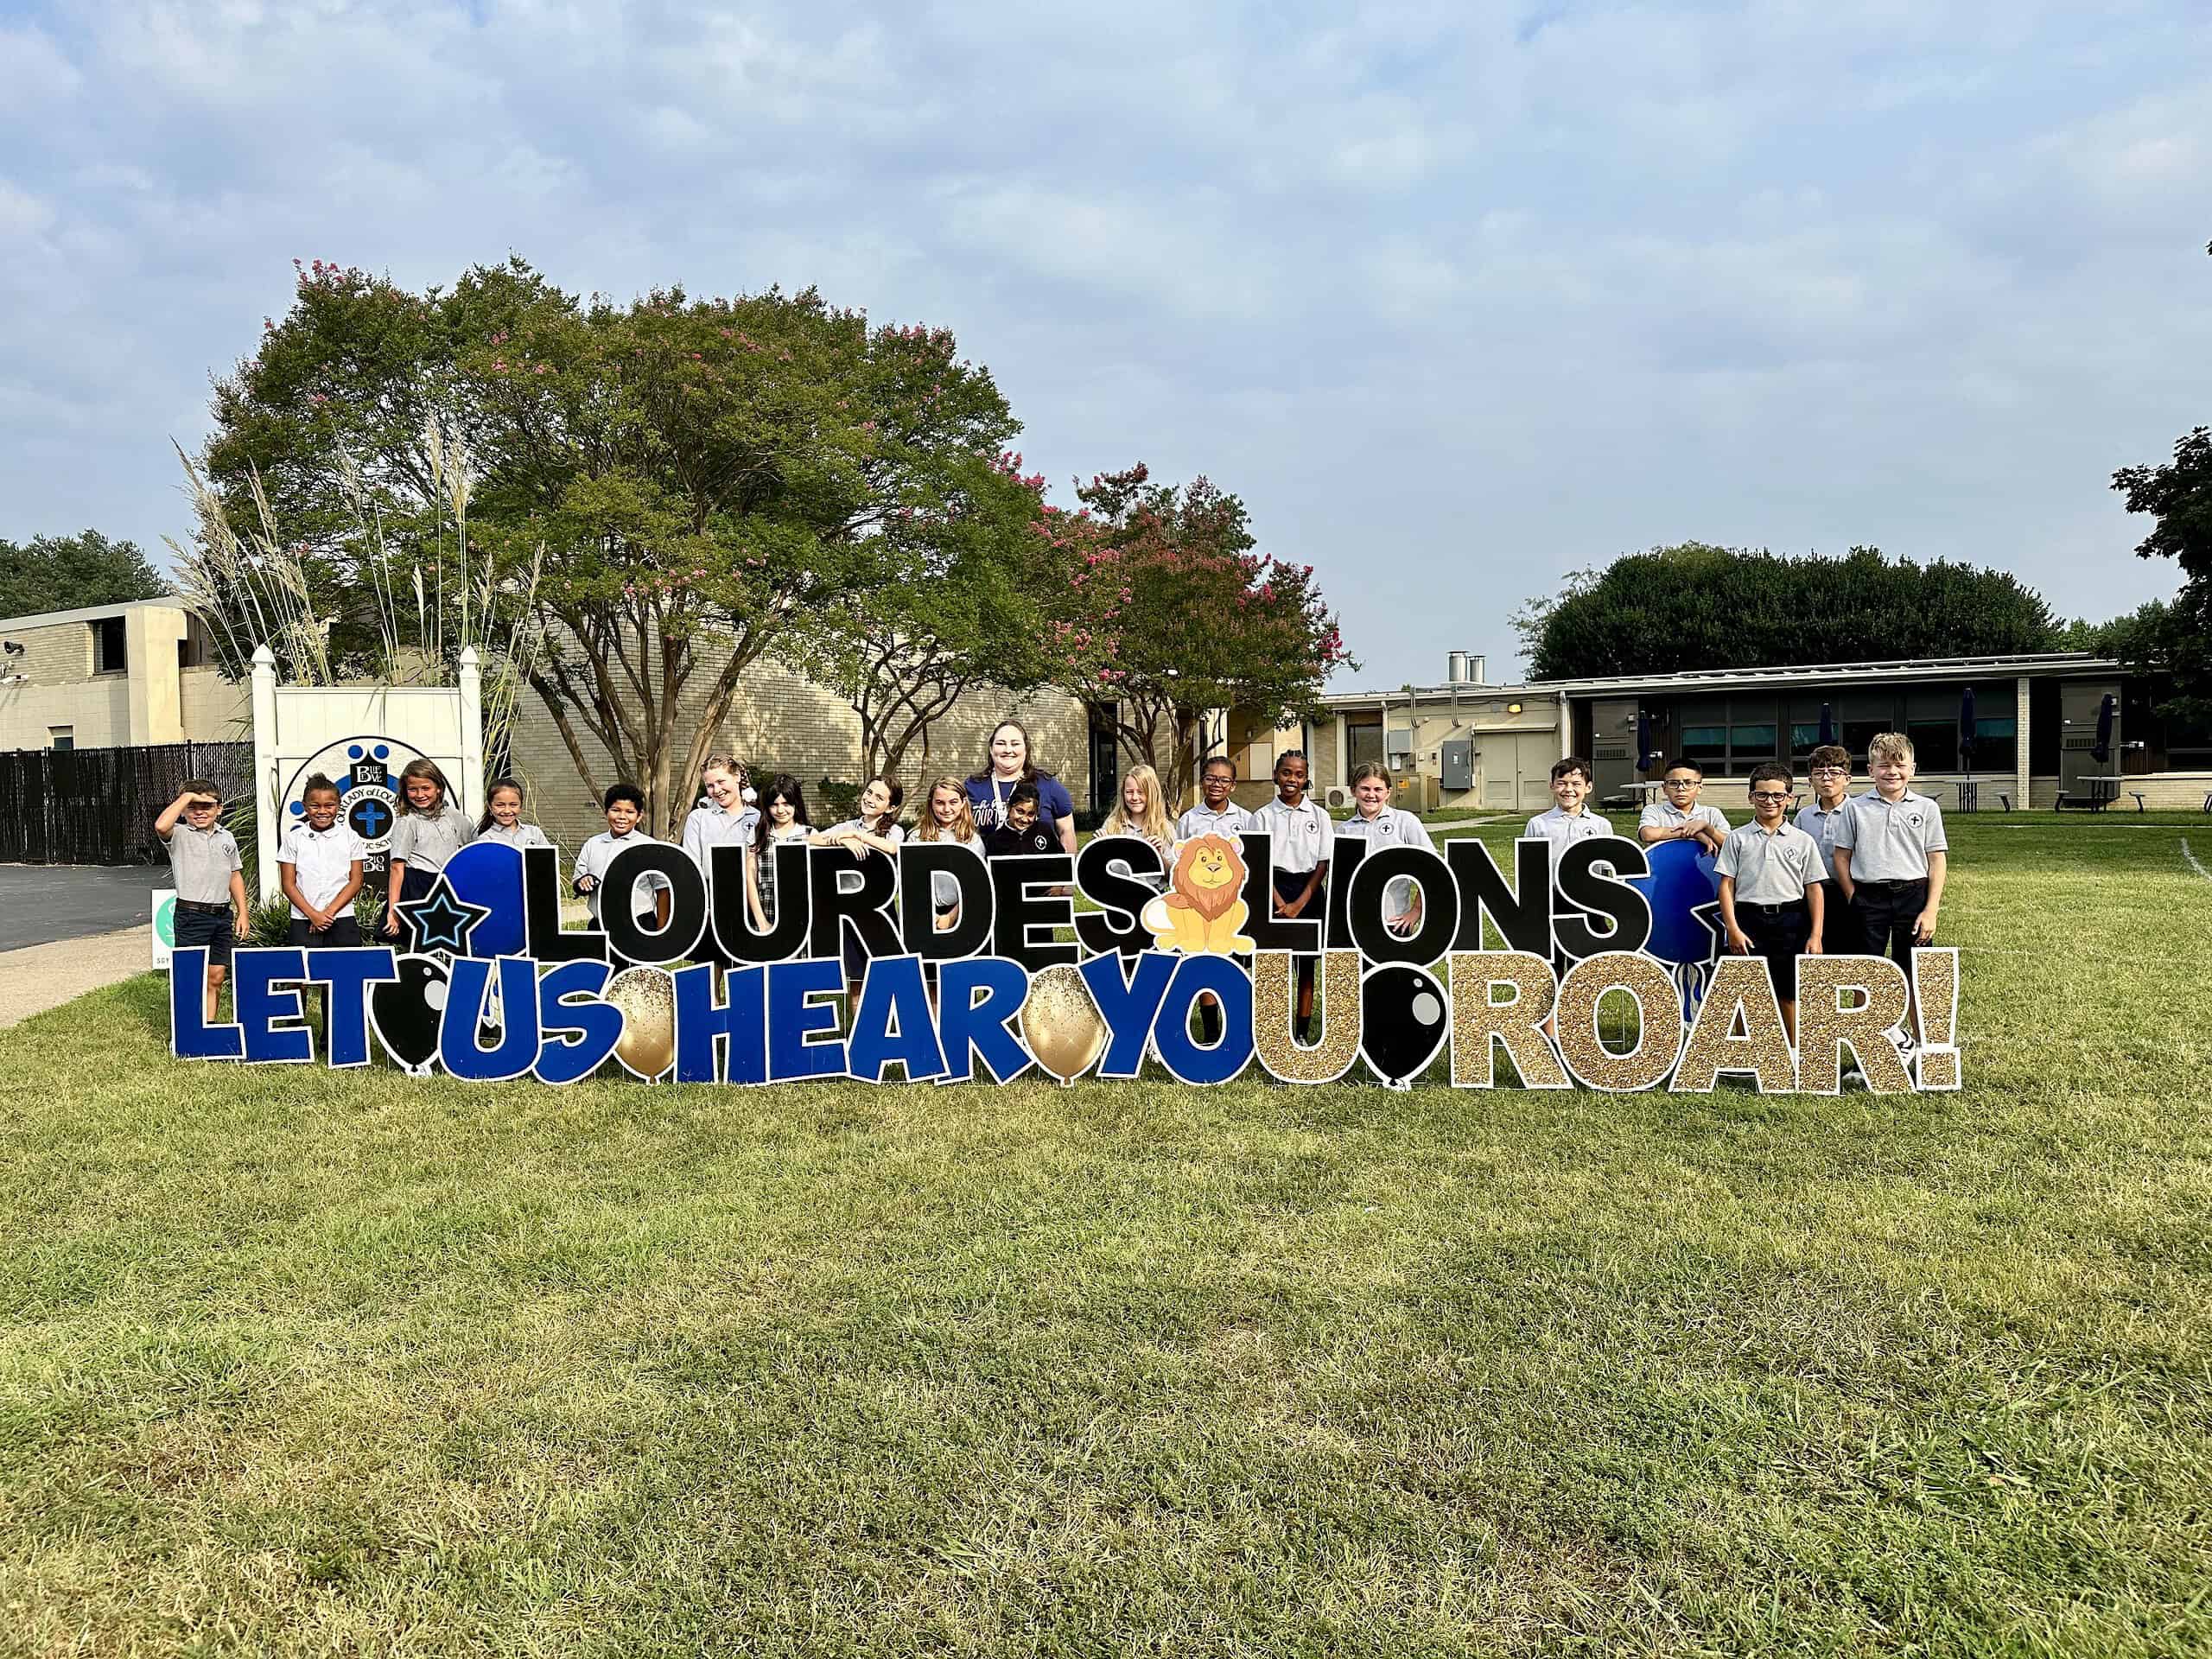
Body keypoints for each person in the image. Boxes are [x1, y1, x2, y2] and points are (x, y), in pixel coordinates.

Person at [1833, 732, 1948, 1048]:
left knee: (1915, 974)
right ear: (1871, 770)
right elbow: (1842, 856)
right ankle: (1869, 1051)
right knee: (1866, 973)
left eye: (1899, 765)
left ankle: (1925, 1049)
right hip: (1868, 897)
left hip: (1914, 897)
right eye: (1883, 765)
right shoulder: (1855, 809)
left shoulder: (1926, 809)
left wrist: (1931, 909)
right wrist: (1853, 895)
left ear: (1913, 768)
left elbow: (1936, 860)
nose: (1891, 772)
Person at [1715, 764, 1827, 1044]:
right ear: (1751, 797)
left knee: (1789, 989)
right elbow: (1727, 886)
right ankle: (1743, 1051)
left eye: (1778, 795)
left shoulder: (1802, 841)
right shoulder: (1738, 838)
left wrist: (1816, 934)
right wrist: (1732, 928)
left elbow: (1813, 889)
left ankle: (1792, 1049)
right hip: (1748, 919)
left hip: (1790, 919)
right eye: (1762, 795)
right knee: (1745, 989)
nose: (1770, 801)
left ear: (1789, 798)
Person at [155, 778, 250, 1023]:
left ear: (219, 809)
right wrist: (188, 796)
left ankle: (209, 1024)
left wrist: (243, 912)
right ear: (184, 808)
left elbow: (234, 874)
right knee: (190, 974)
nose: (199, 812)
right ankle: (188, 1026)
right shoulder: (179, 834)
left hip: (221, 915)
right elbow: (161, 825)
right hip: (191, 915)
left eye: (206, 806)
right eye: (193, 807)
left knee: (216, 975)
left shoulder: (226, 837)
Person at [1250, 749, 1331, 1038]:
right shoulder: (1261, 817)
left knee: (1306, 965)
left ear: (1306, 779)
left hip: (1308, 892)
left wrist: (1299, 903)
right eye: (1286, 772)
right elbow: (1257, 864)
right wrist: (1280, 902)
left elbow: (1323, 863)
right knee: (1273, 965)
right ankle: (1273, 1032)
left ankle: (1301, 1032)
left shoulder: (1320, 816)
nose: (1291, 779)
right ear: (1275, 775)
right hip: (1273, 890)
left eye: (1299, 774)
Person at [814, 778, 907, 989]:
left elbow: (893, 848)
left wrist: (858, 836)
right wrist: (841, 839)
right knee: (856, 978)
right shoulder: (847, 826)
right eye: (869, 792)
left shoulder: (894, 830)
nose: (870, 799)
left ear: (891, 807)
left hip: (881, 914)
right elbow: (812, 838)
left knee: (887, 975)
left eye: (879, 797)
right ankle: (858, 1022)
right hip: (850, 913)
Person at [1334, 762, 1436, 938]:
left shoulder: (1405, 822)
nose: (1371, 795)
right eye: (1365, 788)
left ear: (1388, 792)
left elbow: (1433, 868)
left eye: (1378, 789)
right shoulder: (1344, 830)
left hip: (1395, 922)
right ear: (1353, 791)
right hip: (1356, 923)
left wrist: (1416, 911)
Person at [382, 759, 475, 944]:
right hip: (417, 888)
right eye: (413, 789)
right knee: (420, 945)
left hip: (447, 886)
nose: (420, 794)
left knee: (452, 944)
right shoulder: (407, 822)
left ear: (438, 788)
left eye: (426, 788)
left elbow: (472, 850)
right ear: (405, 791)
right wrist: (394, 911)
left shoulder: (454, 816)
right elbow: (397, 868)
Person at [276, 774, 367, 947]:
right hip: (304, 919)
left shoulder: (350, 837)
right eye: (315, 806)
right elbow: (288, 884)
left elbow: (356, 880)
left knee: (346, 968)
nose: (322, 811)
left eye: (329, 806)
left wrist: (328, 913)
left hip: (342, 917)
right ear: (305, 806)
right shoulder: (294, 838)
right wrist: (313, 915)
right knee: (307, 972)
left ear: (339, 806)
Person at [573, 783, 672, 933]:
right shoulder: (593, 844)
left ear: (639, 816)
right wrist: (582, 883)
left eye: (629, 812)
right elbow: (577, 881)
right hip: (599, 925)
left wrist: (662, 931)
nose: (622, 817)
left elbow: (662, 888)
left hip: (639, 924)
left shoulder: (648, 846)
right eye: (616, 810)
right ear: (606, 812)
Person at [966, 720, 1077, 856]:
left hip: (1039, 873)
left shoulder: (1049, 785)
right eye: (1001, 744)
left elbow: (1066, 832)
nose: (1008, 750)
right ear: (991, 748)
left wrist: (1067, 870)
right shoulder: (972, 786)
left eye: (1015, 744)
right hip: (988, 872)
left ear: (1026, 749)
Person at [1793, 744, 1856, 953]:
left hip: (1849, 890)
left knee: (1852, 952)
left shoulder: (1858, 812)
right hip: (1812, 892)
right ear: (1810, 781)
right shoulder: (1804, 816)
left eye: (1834, 772)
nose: (1826, 778)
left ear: (1847, 778)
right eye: (1819, 773)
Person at [912, 776, 984, 933]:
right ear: (931, 802)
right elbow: (911, 883)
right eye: (940, 803)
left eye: (953, 802)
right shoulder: (916, 837)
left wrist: (950, 918)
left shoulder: (972, 840)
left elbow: (975, 888)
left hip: (960, 912)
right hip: (923, 912)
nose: (946, 809)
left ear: (963, 802)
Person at [746, 773, 813, 934]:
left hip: (801, 914)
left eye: (786, 804)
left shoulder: (809, 834)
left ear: (796, 803)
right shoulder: (758, 834)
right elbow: (750, 876)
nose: (780, 810)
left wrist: (851, 837)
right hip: (766, 909)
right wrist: (761, 920)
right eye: (774, 805)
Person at [1096, 764, 1177, 893]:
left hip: (1153, 900)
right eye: (1129, 792)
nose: (1134, 797)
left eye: (1141, 792)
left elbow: (1174, 878)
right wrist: (1100, 849)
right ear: (1123, 794)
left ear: (1152, 794)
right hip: (1118, 899)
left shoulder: (1165, 829)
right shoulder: (1112, 825)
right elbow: (1099, 873)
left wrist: (1158, 856)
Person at [1640, 757, 1729, 853]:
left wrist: (1706, 827)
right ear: (1664, 788)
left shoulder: (1712, 813)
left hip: (1705, 867)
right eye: (1674, 783)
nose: (1681, 788)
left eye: (1688, 783)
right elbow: (1647, 834)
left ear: (1699, 787)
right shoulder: (1654, 810)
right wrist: (1695, 834)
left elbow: (1729, 844)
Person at [1525, 757, 1609, 844]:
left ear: (1588, 787)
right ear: (1552, 786)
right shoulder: (1537, 825)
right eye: (1561, 783)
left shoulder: (1601, 825)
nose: (1568, 789)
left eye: (1576, 784)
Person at [1178, 756, 1251, 842]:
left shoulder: (1246, 819)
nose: (1216, 784)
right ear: (1201, 782)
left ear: (1233, 786)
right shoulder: (1187, 820)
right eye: (1210, 779)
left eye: (1224, 780)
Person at [982, 781, 1057, 860]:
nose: (1024, 819)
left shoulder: (1045, 831)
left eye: (1031, 814)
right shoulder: (994, 840)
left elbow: (1061, 861)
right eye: (1020, 811)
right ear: (1009, 807)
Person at [475, 778, 552, 850]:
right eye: (500, 805)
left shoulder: (534, 833)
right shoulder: (486, 839)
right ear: (490, 807)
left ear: (521, 806)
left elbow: (548, 862)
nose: (507, 811)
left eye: (513, 805)